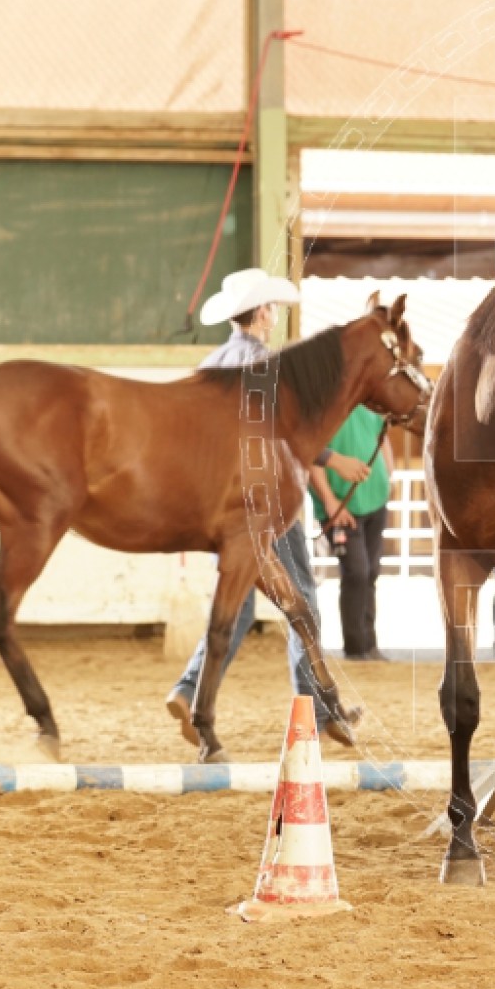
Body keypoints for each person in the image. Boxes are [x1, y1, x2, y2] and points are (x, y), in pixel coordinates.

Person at [164, 267, 363, 748]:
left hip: (225, 503)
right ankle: (319, 711)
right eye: (271, 306)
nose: (275, 314)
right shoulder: (262, 363)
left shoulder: (214, 362)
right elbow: (283, 430)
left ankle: (189, 689)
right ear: (260, 313)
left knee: (238, 601)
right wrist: (333, 459)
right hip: (267, 500)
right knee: (302, 601)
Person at [310, 405, 395, 661]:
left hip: (375, 499)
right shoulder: (323, 408)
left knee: (371, 572)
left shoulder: (369, 406)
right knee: (357, 572)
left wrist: (389, 476)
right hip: (342, 506)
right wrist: (329, 501)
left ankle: (369, 644)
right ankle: (356, 647)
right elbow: (311, 455)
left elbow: (381, 438)